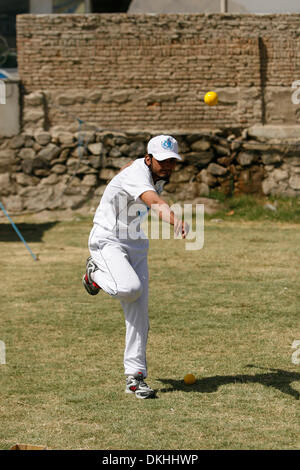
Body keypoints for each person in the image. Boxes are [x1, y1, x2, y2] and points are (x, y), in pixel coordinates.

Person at [82, 135, 189, 399]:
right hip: (109, 239)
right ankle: (94, 273)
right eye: (162, 161)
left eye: (172, 162)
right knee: (129, 289)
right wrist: (173, 217)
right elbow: (153, 201)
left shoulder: (150, 171)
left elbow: (131, 176)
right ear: (149, 158)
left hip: (136, 243)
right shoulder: (139, 174)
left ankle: (135, 377)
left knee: (139, 312)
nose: (167, 167)